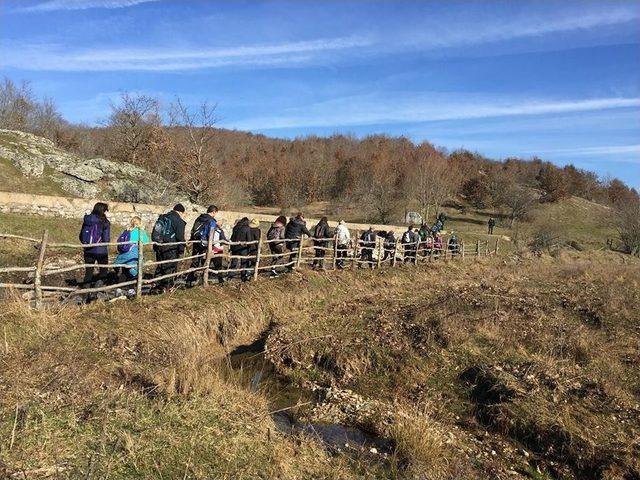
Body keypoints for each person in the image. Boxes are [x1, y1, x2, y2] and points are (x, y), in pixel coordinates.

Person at [152, 203, 187, 288]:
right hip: (171, 247)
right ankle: (167, 287)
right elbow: (180, 237)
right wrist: (182, 248)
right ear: (181, 212)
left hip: (159, 245)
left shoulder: (163, 217)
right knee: (169, 267)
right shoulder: (179, 221)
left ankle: (156, 284)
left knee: (160, 265)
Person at [79, 202, 111, 285]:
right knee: (103, 271)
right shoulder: (104, 222)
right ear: (102, 211)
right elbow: (106, 239)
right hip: (101, 250)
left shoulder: (87, 220)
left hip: (88, 249)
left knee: (88, 273)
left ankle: (85, 294)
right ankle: (97, 290)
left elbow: (81, 235)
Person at [187, 205, 218, 285]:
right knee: (205, 261)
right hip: (205, 243)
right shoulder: (212, 221)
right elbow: (211, 234)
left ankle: (190, 279)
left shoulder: (200, 218)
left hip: (196, 241)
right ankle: (202, 280)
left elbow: (193, 229)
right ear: (214, 212)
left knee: (195, 260)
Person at [114, 216, 150, 281]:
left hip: (124, 253)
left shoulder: (127, 230)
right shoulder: (140, 231)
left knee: (124, 269)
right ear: (140, 223)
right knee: (134, 269)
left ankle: (121, 285)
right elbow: (146, 241)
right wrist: (143, 231)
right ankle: (133, 284)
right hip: (133, 253)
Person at [229, 217, 252, 282]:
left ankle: (230, 277)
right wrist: (249, 247)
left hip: (235, 247)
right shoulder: (247, 228)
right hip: (243, 248)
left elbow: (232, 237)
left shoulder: (235, 227)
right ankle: (243, 277)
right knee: (244, 263)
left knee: (234, 262)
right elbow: (249, 239)